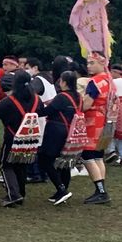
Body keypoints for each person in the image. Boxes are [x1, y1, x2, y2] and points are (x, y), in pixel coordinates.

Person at [0, 71, 44, 206]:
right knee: (22, 164)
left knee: (5, 164)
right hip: (30, 138)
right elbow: (40, 112)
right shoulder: (36, 99)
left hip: (12, 137)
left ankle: (14, 194)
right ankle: (21, 192)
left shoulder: (8, 102)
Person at [38, 71, 81, 205]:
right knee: (64, 162)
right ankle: (62, 191)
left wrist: (37, 103)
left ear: (64, 82)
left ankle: (61, 189)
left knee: (45, 160)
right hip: (70, 130)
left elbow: (46, 112)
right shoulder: (78, 96)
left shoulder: (61, 97)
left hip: (55, 131)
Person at [81, 52, 112, 204]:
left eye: (92, 63)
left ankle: (100, 191)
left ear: (102, 63)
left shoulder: (95, 81)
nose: (89, 66)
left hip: (93, 121)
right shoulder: (109, 79)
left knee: (87, 155)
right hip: (107, 121)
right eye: (88, 63)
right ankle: (101, 189)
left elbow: (86, 104)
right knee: (99, 155)